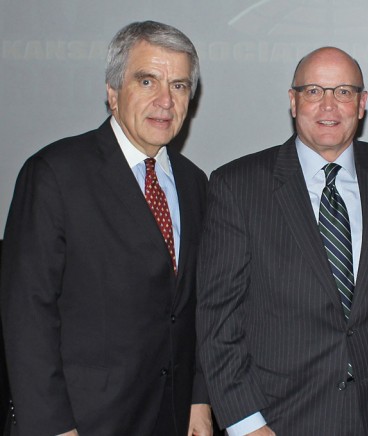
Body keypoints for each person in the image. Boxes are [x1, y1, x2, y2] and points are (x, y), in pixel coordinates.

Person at [0, 21, 212, 436]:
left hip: (171, 419)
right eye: (147, 80)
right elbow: (27, 313)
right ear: (113, 93)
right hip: (81, 422)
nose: (165, 100)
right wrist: (52, 426)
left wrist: (198, 397)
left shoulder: (194, 183)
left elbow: (196, 308)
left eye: (180, 86)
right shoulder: (55, 174)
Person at [196, 46, 368, 435]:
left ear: (362, 103)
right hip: (281, 420)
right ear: (293, 100)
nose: (328, 106)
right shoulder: (238, 186)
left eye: (344, 92)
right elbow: (218, 321)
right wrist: (246, 423)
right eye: (314, 91)